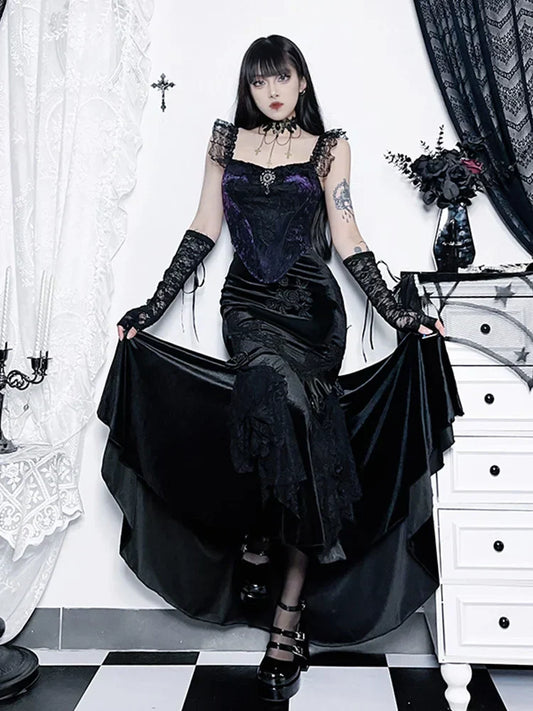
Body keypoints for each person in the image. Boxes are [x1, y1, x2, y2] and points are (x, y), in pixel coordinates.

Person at [102, 34, 460, 703]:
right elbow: (203, 227)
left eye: (283, 77)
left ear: (301, 82)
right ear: (249, 86)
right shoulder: (224, 143)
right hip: (246, 306)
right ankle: (257, 534)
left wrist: (397, 313)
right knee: (271, 390)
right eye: (260, 79)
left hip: (313, 310)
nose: (272, 90)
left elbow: (347, 236)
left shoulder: (330, 148)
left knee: (303, 429)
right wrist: (151, 307)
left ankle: (285, 620)